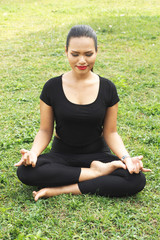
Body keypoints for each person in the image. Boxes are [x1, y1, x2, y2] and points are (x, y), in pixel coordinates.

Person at [15, 25, 151, 201]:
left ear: (96, 51)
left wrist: (126, 158)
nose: (82, 61)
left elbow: (111, 133)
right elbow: (45, 131)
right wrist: (33, 153)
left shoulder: (108, 88)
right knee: (25, 171)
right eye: (75, 54)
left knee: (136, 179)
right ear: (66, 52)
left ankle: (61, 189)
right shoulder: (52, 87)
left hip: (97, 155)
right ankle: (95, 174)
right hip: (62, 155)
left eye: (88, 54)